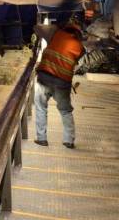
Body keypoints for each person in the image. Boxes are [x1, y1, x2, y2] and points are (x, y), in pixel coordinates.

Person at [33, 14, 85, 149]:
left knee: (40, 106)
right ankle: (69, 140)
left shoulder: (56, 33)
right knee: (65, 110)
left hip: (44, 77)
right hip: (63, 83)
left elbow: (36, 28)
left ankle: (41, 138)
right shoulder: (80, 47)